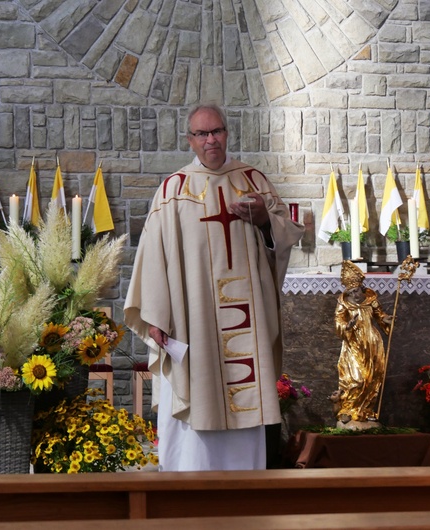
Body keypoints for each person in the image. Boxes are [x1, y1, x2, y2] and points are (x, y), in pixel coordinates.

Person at [124, 103, 304, 471]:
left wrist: (265, 219)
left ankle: (247, 492)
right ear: (190, 140)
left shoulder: (253, 182)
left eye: (217, 131)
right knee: (197, 390)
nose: (211, 140)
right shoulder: (173, 190)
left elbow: (285, 236)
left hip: (246, 319)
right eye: (202, 134)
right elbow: (154, 257)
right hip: (196, 319)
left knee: (245, 395)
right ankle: (187, 488)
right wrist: (155, 316)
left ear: (227, 133)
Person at [333, 260, 393, 426]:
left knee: (372, 377)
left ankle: (365, 410)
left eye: (357, 291)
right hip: (353, 343)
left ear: (361, 288)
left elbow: (379, 315)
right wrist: (347, 326)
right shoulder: (343, 302)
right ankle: (347, 410)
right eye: (351, 292)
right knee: (356, 378)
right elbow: (338, 320)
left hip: (371, 343)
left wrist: (386, 320)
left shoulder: (371, 299)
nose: (355, 295)